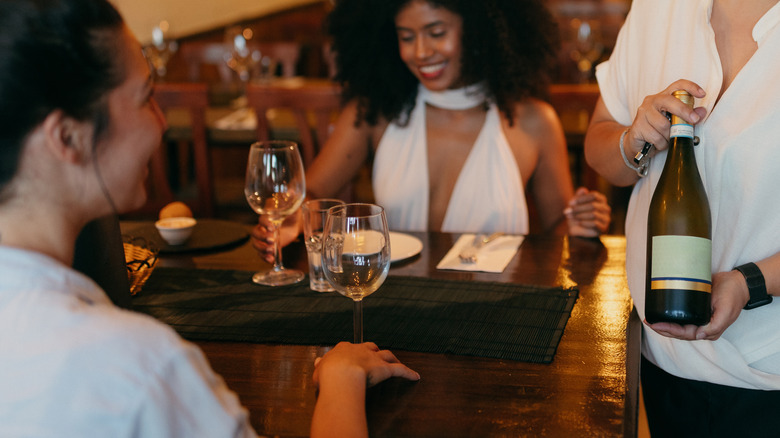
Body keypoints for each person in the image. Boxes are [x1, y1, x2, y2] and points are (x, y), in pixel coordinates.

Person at [0, 0, 419, 436]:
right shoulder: (137, 368)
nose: (161, 123)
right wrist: (341, 379)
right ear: (66, 136)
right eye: (147, 98)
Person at [252, 0, 611, 261]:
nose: (421, 52)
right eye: (406, 37)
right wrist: (288, 221)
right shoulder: (376, 112)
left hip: (492, 311)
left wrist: (581, 224)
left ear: (479, 30)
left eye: (436, 33)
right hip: (391, 304)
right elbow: (311, 192)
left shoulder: (534, 122)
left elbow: (556, 236)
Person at [583, 0, 780, 435]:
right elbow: (600, 147)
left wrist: (751, 282)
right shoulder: (657, 8)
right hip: (660, 354)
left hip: (770, 368)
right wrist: (634, 138)